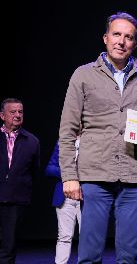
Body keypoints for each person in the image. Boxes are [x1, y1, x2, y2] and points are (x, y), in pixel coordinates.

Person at [59, 12, 137, 264]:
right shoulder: (83, 75)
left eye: (128, 37)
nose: (121, 41)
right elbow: (67, 130)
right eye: (116, 34)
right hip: (95, 174)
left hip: (135, 174)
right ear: (106, 38)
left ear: (134, 44)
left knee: (129, 255)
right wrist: (70, 176)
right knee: (89, 253)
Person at [0, 98, 40, 264]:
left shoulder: (32, 141)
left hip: (16, 200)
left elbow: (34, 171)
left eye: (20, 112)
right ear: (2, 115)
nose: (17, 115)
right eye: (13, 112)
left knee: (8, 246)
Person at [45, 138, 81, 264]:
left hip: (86, 197)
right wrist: (69, 174)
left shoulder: (94, 139)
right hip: (65, 196)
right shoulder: (63, 141)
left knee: (87, 238)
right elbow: (49, 168)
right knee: (64, 237)